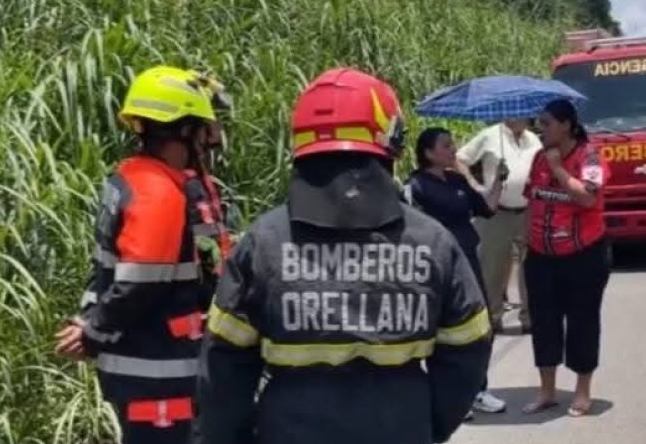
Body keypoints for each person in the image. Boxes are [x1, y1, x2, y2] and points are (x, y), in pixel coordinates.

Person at [196, 67, 492, 444]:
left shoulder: (262, 243)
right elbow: (468, 348)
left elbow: (224, 366)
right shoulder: (433, 241)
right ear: (391, 140)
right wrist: (425, 422)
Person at [53, 65, 236, 444]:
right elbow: (140, 284)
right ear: (185, 130)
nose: (214, 138)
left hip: (151, 369)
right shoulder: (159, 195)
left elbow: (106, 269)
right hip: (158, 371)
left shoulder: (137, 178)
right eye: (207, 126)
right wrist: (93, 334)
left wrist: (89, 322)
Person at [404, 127, 508, 417]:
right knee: (444, 332)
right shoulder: (415, 186)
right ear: (428, 153)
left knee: (480, 324)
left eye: (453, 144)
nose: (453, 150)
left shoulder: (457, 179)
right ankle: (449, 397)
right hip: (436, 267)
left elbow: (486, 208)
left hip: (468, 262)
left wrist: (498, 180)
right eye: (447, 145)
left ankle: (478, 390)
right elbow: (411, 227)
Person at [521, 98, 611, 418]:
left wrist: (559, 169)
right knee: (543, 321)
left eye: (546, 124)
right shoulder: (538, 159)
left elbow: (588, 197)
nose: (539, 130)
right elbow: (531, 198)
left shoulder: (590, 156)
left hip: (583, 254)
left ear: (567, 125)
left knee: (582, 320)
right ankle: (547, 391)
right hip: (541, 255)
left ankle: (582, 391)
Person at [456, 119, 542, 335]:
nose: (523, 116)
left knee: (531, 266)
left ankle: (530, 317)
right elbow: (460, 159)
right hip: (497, 212)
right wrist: (475, 186)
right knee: (492, 267)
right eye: (518, 112)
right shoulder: (489, 135)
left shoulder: (534, 140)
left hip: (528, 210)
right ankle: (492, 318)